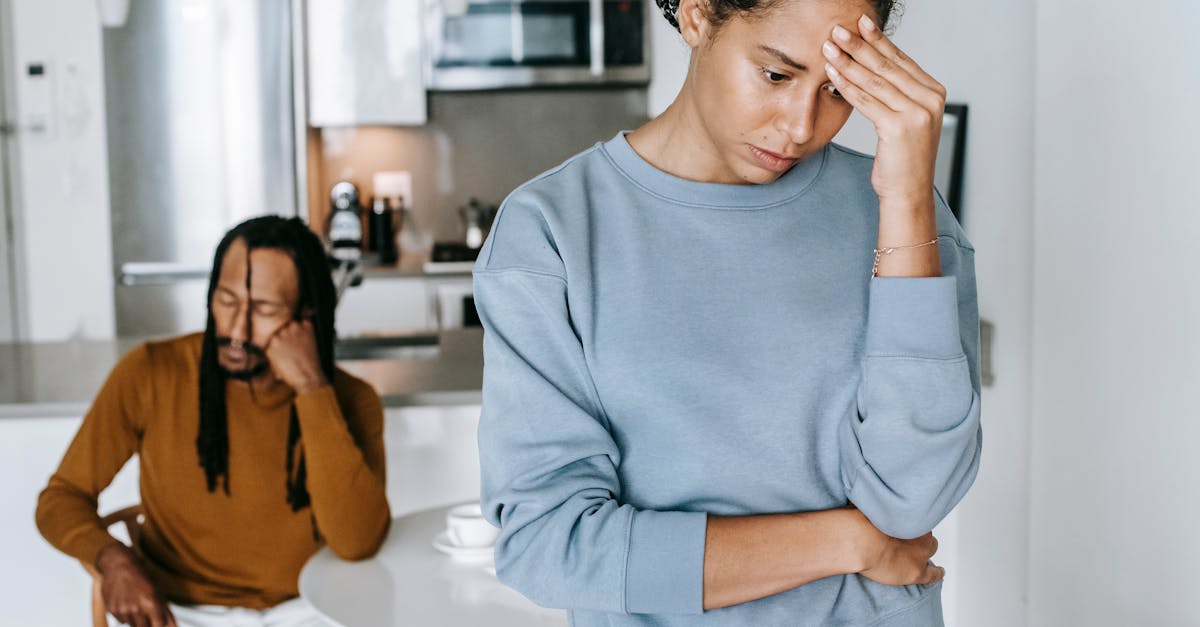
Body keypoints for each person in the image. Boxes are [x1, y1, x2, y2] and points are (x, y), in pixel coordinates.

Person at [472, 0, 981, 624]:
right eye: (776, 75)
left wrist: (905, 199)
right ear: (696, 16)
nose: (801, 125)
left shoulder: (904, 218)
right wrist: (851, 543)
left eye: (837, 90)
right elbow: (552, 545)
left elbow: (914, 500)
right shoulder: (551, 233)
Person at [36, 216, 390, 627]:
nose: (237, 329)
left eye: (263, 308)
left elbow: (358, 543)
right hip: (183, 614)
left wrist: (312, 389)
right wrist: (112, 558)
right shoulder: (151, 372)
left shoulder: (351, 400)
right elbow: (60, 499)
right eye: (226, 300)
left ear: (306, 316)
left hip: (311, 609)